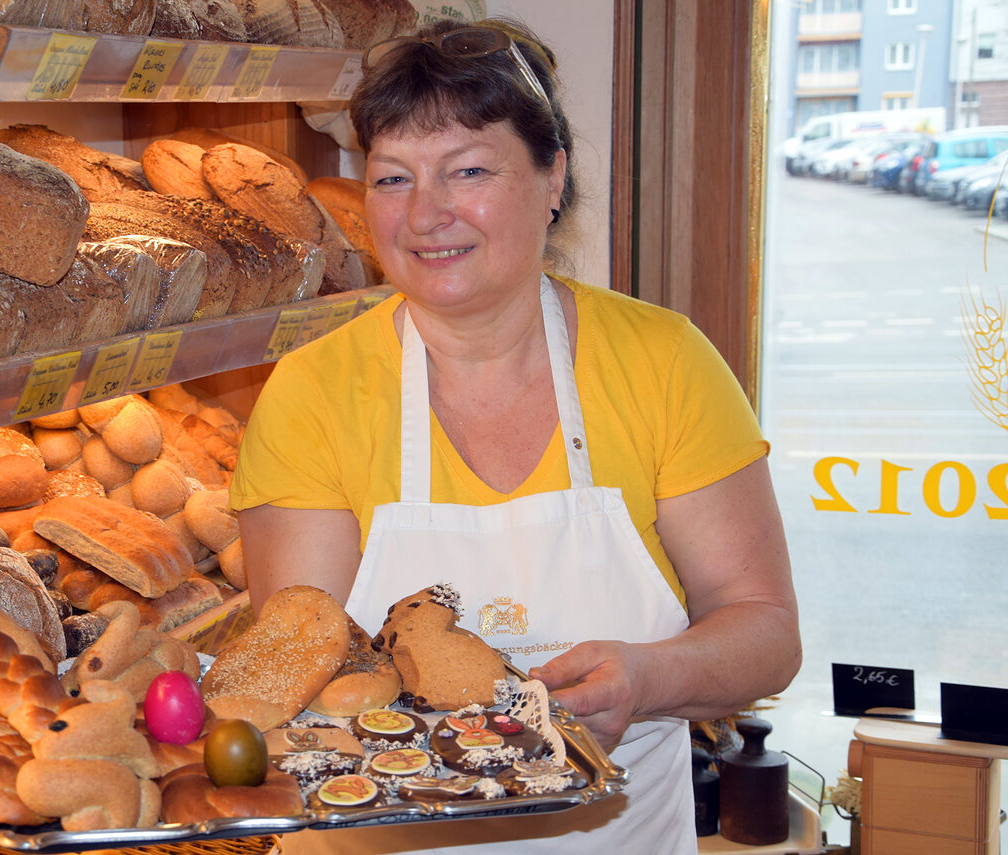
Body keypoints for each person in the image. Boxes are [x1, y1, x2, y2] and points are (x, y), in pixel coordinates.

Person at [229, 16, 801, 854]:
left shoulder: (664, 361)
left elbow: (764, 630)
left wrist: (649, 677)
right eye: (392, 179)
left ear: (553, 176)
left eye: (467, 170)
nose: (426, 215)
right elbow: (303, 666)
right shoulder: (313, 390)